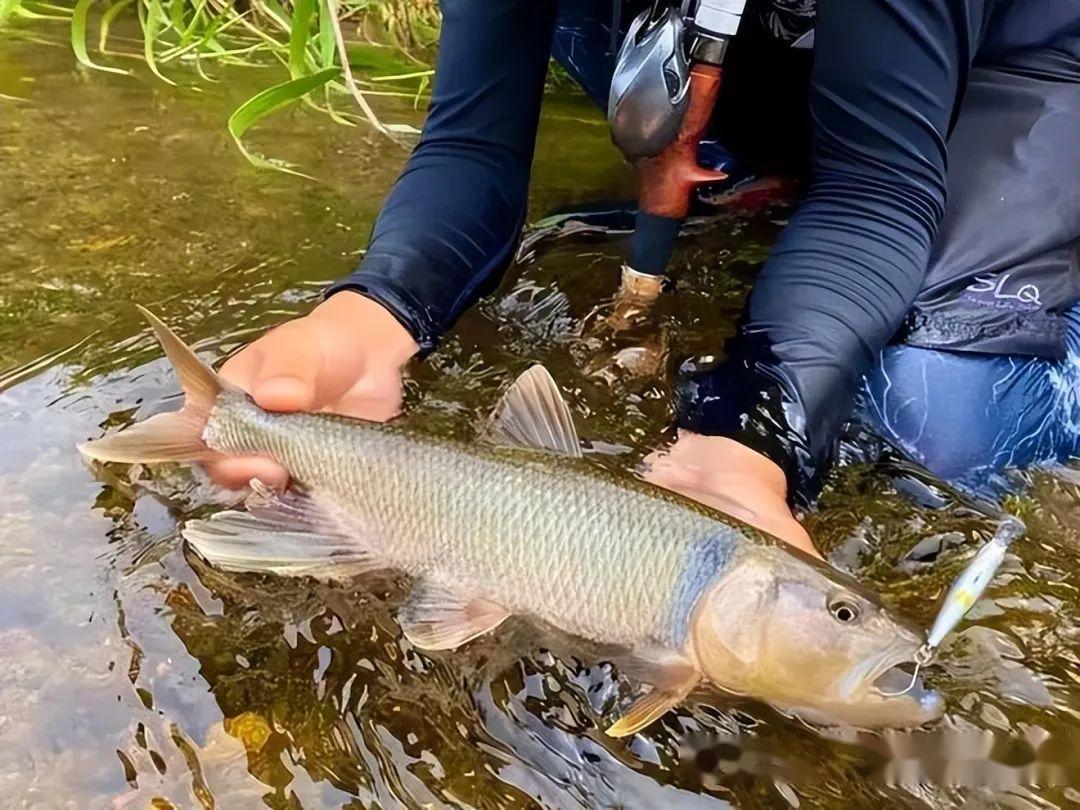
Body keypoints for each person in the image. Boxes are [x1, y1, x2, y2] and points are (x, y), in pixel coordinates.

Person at [203, 0, 1080, 559]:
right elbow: (471, 146)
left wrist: (754, 429)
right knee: (593, 25)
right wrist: (372, 312)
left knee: (928, 424)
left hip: (1010, 66)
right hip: (768, 36)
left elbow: (875, 189)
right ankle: (780, 165)